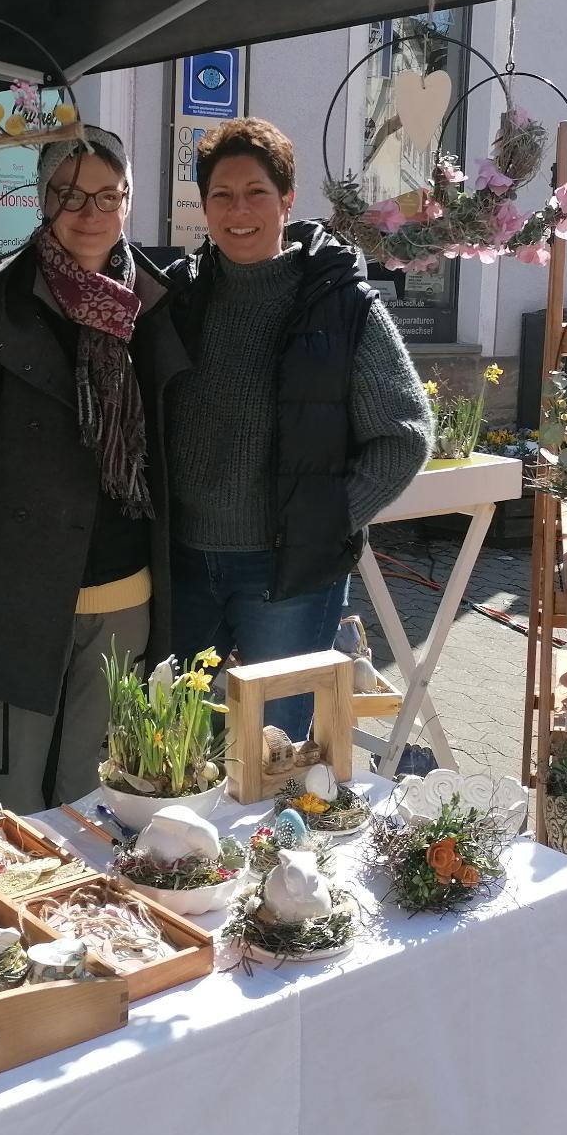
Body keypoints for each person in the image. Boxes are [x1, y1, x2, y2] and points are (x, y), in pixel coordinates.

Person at [0, 127, 184, 812]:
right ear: (42, 198)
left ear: (127, 200)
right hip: (15, 593)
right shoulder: (0, 304)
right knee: (12, 797)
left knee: (94, 796)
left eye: (107, 195)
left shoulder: (157, 302)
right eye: (69, 194)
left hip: (125, 594)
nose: (89, 212)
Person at [161, 117, 432, 739]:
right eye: (222, 195)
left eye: (256, 192)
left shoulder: (340, 304)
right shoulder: (178, 299)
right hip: (182, 564)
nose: (239, 211)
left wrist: (326, 519)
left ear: (287, 199)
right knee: (172, 747)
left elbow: (405, 434)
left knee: (273, 748)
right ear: (203, 206)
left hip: (285, 575)